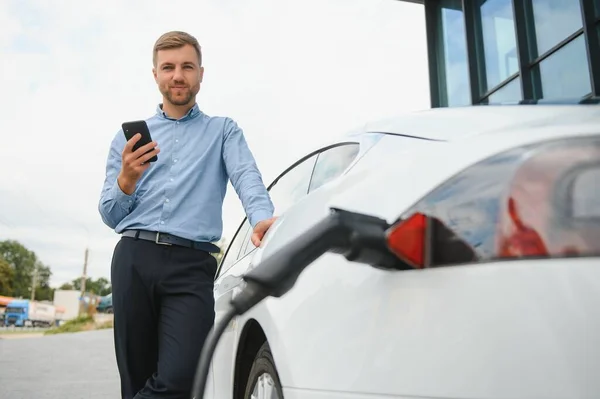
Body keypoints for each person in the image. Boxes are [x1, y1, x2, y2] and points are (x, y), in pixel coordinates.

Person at [98, 30, 276, 399]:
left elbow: (246, 175)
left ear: (200, 73)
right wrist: (127, 180)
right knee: (135, 380)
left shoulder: (223, 130)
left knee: (180, 379)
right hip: (134, 257)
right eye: (168, 67)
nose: (178, 75)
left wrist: (261, 216)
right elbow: (111, 214)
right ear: (155, 75)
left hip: (191, 265)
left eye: (187, 67)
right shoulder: (127, 140)